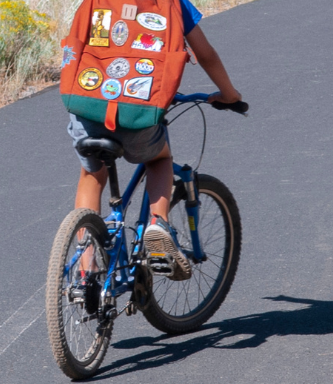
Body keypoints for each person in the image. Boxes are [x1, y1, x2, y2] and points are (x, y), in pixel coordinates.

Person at [69, 0, 241, 280]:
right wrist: (229, 94)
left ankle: (87, 267)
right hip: (139, 111)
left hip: (88, 105)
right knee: (159, 158)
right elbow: (205, 54)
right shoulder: (174, 3)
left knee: (92, 174)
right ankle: (158, 225)